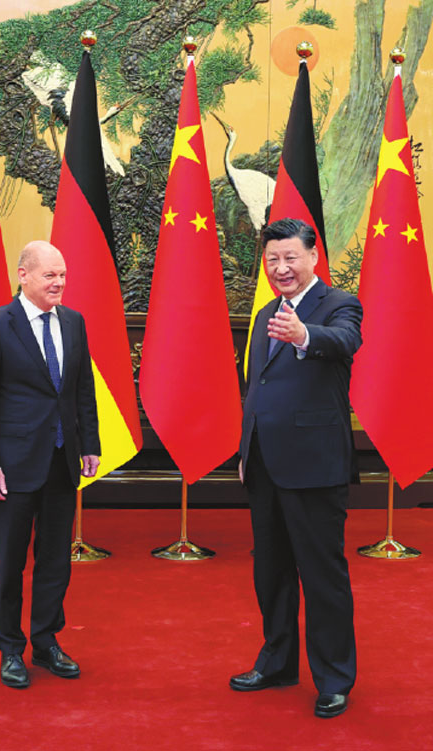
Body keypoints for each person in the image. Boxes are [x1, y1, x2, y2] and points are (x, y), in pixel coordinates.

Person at [230, 218, 362, 718]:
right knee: (272, 573)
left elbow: (345, 341)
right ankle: (277, 662)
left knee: (322, 576)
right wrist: (247, 451)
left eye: (290, 258)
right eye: (272, 260)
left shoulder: (339, 305)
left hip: (314, 467)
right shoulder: (266, 311)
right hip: (264, 465)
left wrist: (306, 334)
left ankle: (333, 678)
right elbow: (257, 392)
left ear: (313, 258)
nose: (281, 268)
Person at [0, 240, 100, 689]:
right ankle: (10, 649)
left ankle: (46, 641)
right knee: (8, 565)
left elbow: (82, 389)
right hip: (12, 467)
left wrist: (90, 444)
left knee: (55, 561)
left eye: (63, 274)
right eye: (49, 275)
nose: (59, 282)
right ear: (23, 275)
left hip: (62, 463)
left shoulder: (75, 322)